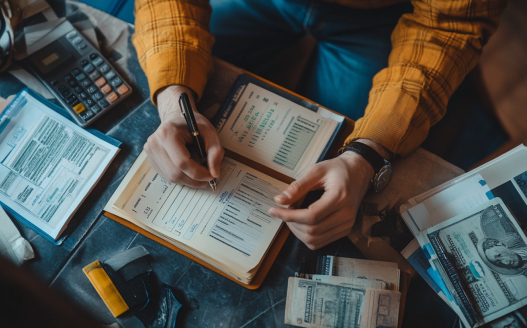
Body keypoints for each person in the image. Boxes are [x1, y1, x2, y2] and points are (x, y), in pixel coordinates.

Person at [133, 0, 506, 250]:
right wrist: (173, 99)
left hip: (381, 14)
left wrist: (364, 155)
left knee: (335, 153)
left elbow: (451, 24)